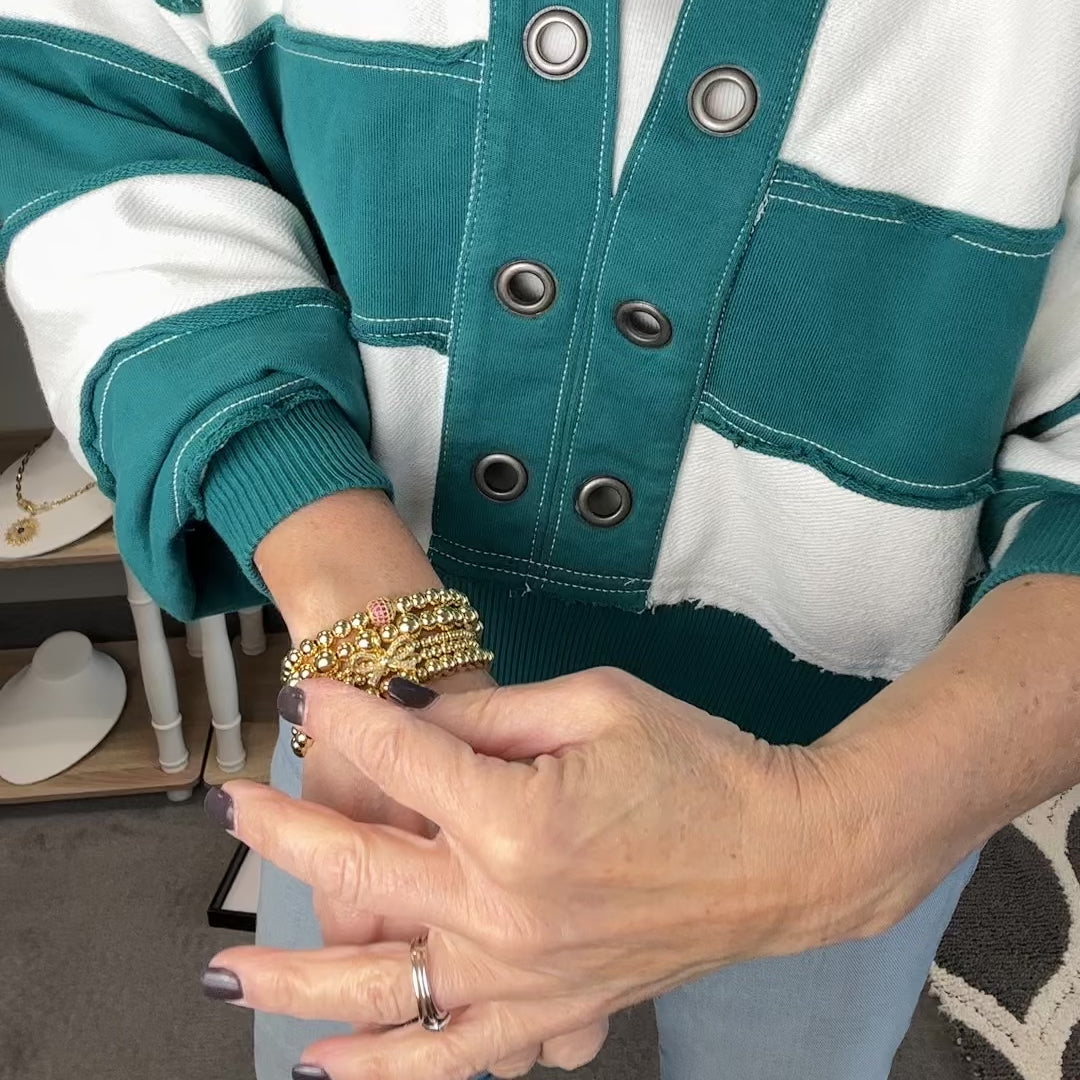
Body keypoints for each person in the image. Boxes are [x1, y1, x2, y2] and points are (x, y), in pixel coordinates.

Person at [3, 2, 1079, 1078]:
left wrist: (836, 838)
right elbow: (89, 88)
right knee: (342, 1044)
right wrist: (350, 585)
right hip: (382, 706)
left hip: (878, 755)